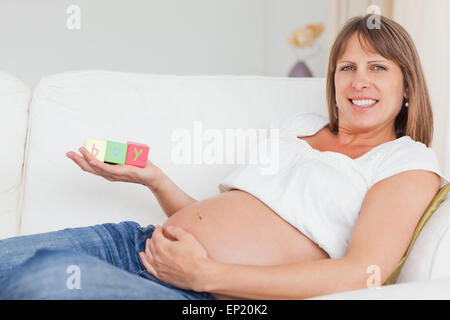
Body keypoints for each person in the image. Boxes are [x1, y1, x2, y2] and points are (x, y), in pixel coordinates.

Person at [0, 14, 448, 300]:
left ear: (407, 86)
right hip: (134, 242)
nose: (358, 81)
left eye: (378, 68)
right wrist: (154, 179)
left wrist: (206, 276)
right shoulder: (298, 128)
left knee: (45, 280)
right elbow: (217, 221)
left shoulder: (405, 162)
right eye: (347, 68)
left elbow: (360, 274)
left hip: (206, 296)